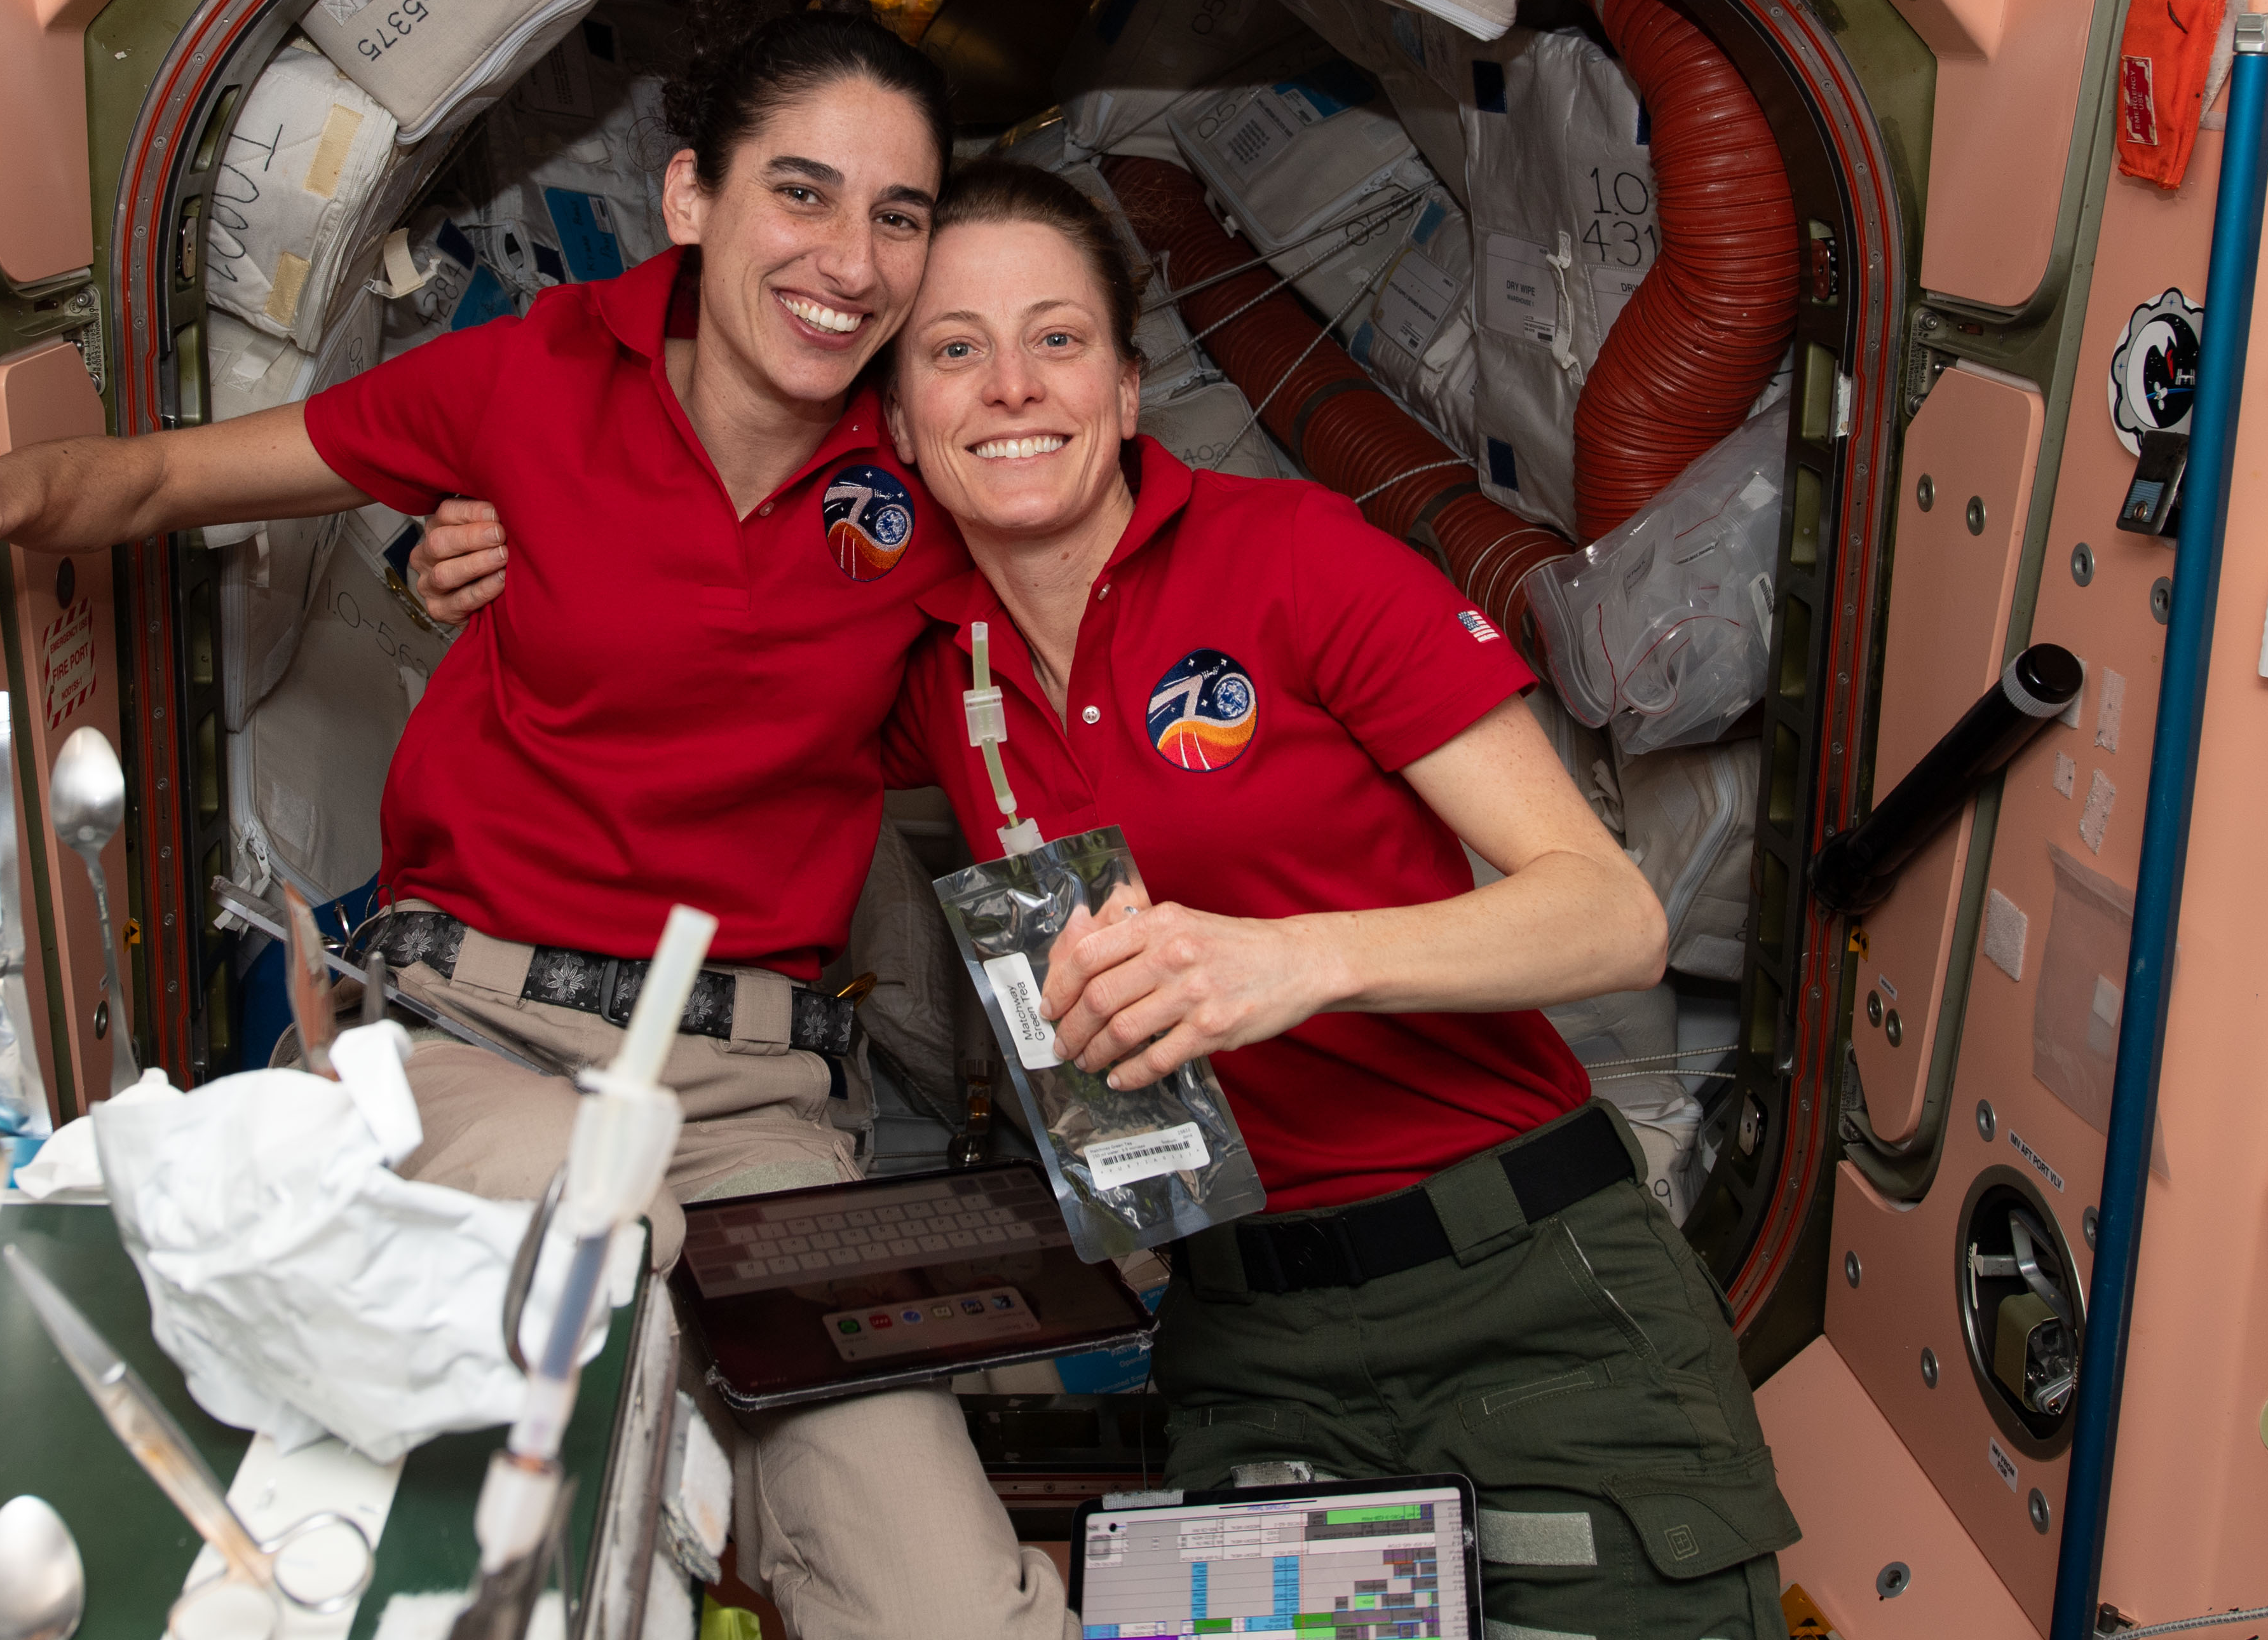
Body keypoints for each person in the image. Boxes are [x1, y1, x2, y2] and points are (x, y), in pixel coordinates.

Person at [414, 158, 1802, 1637]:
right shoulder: (928, 654)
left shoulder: (1302, 563)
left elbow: (1610, 913)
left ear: (1130, 390)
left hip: (1530, 1290)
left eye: (1057, 339)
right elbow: (698, 656)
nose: (1011, 384)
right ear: (897, 421)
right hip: (1248, 1338)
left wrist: (1287, 963)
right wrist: (513, 544)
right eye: (954, 347)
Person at [0, 0, 1073, 1640]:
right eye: (803, 193)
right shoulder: (537, 380)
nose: (851, 260)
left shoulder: (927, 456)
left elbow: (1104, 605)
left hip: (758, 1110)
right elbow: (163, 481)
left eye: (899, 216)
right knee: (589, 1266)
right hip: (470, 1045)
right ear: (693, 199)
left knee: (950, 1607)